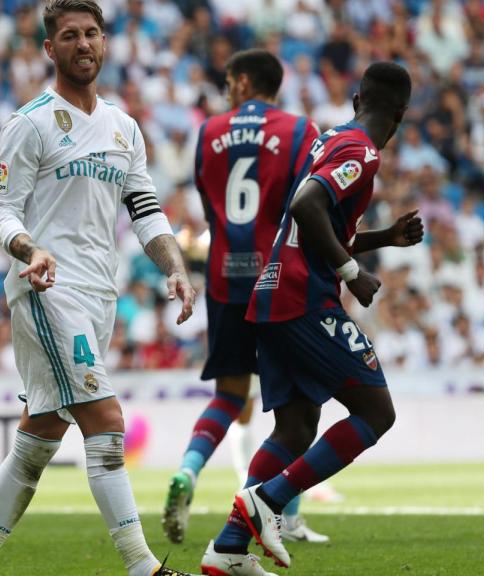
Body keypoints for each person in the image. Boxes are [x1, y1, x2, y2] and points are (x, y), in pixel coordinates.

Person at [0, 2, 196, 575]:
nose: (83, 43)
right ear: (49, 49)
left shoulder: (123, 126)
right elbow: (0, 209)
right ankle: (143, 567)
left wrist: (175, 266)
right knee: (107, 422)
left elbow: (145, 208)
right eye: (69, 35)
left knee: (39, 438)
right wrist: (28, 249)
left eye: (91, 33)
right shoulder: (30, 123)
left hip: (99, 294)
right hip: (46, 289)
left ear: (105, 43)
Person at [200, 62, 420, 575]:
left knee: (296, 428)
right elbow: (304, 205)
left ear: (356, 97)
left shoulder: (330, 139)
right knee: (376, 413)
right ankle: (267, 502)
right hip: (304, 298)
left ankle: (229, 548)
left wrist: (384, 237)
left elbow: (317, 220)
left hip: (273, 295)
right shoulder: (360, 151)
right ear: (403, 114)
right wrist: (353, 271)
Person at [162, 49, 328, 546]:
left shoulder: (209, 132)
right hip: (279, 278)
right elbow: (306, 204)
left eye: (229, 81)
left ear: (240, 82)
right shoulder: (301, 130)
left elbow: (213, 208)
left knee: (231, 395)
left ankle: (189, 472)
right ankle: (280, 515)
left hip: (224, 279)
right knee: (296, 407)